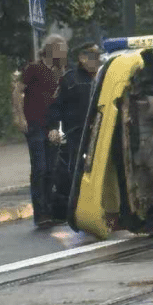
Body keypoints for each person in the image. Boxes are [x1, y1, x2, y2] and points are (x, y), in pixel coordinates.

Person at [13, 34, 68, 227]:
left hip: (52, 126)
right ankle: (40, 212)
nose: (63, 54)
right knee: (40, 168)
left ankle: (51, 209)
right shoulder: (34, 69)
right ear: (51, 49)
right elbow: (18, 91)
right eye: (61, 49)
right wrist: (20, 116)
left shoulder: (59, 72)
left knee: (52, 169)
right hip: (35, 124)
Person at [47, 42, 101, 215]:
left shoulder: (101, 79)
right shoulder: (71, 80)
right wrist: (54, 128)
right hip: (77, 134)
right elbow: (56, 106)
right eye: (93, 57)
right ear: (82, 58)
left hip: (99, 133)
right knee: (75, 170)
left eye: (98, 57)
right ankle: (75, 207)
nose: (97, 61)